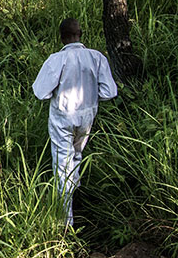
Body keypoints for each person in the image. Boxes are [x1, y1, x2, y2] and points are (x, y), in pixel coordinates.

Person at [31, 18, 117, 229]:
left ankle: (64, 222)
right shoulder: (96, 58)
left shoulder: (57, 59)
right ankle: (74, 198)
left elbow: (40, 92)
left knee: (62, 164)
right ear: (81, 34)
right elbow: (109, 92)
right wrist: (90, 97)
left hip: (62, 116)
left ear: (61, 37)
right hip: (87, 116)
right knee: (76, 156)